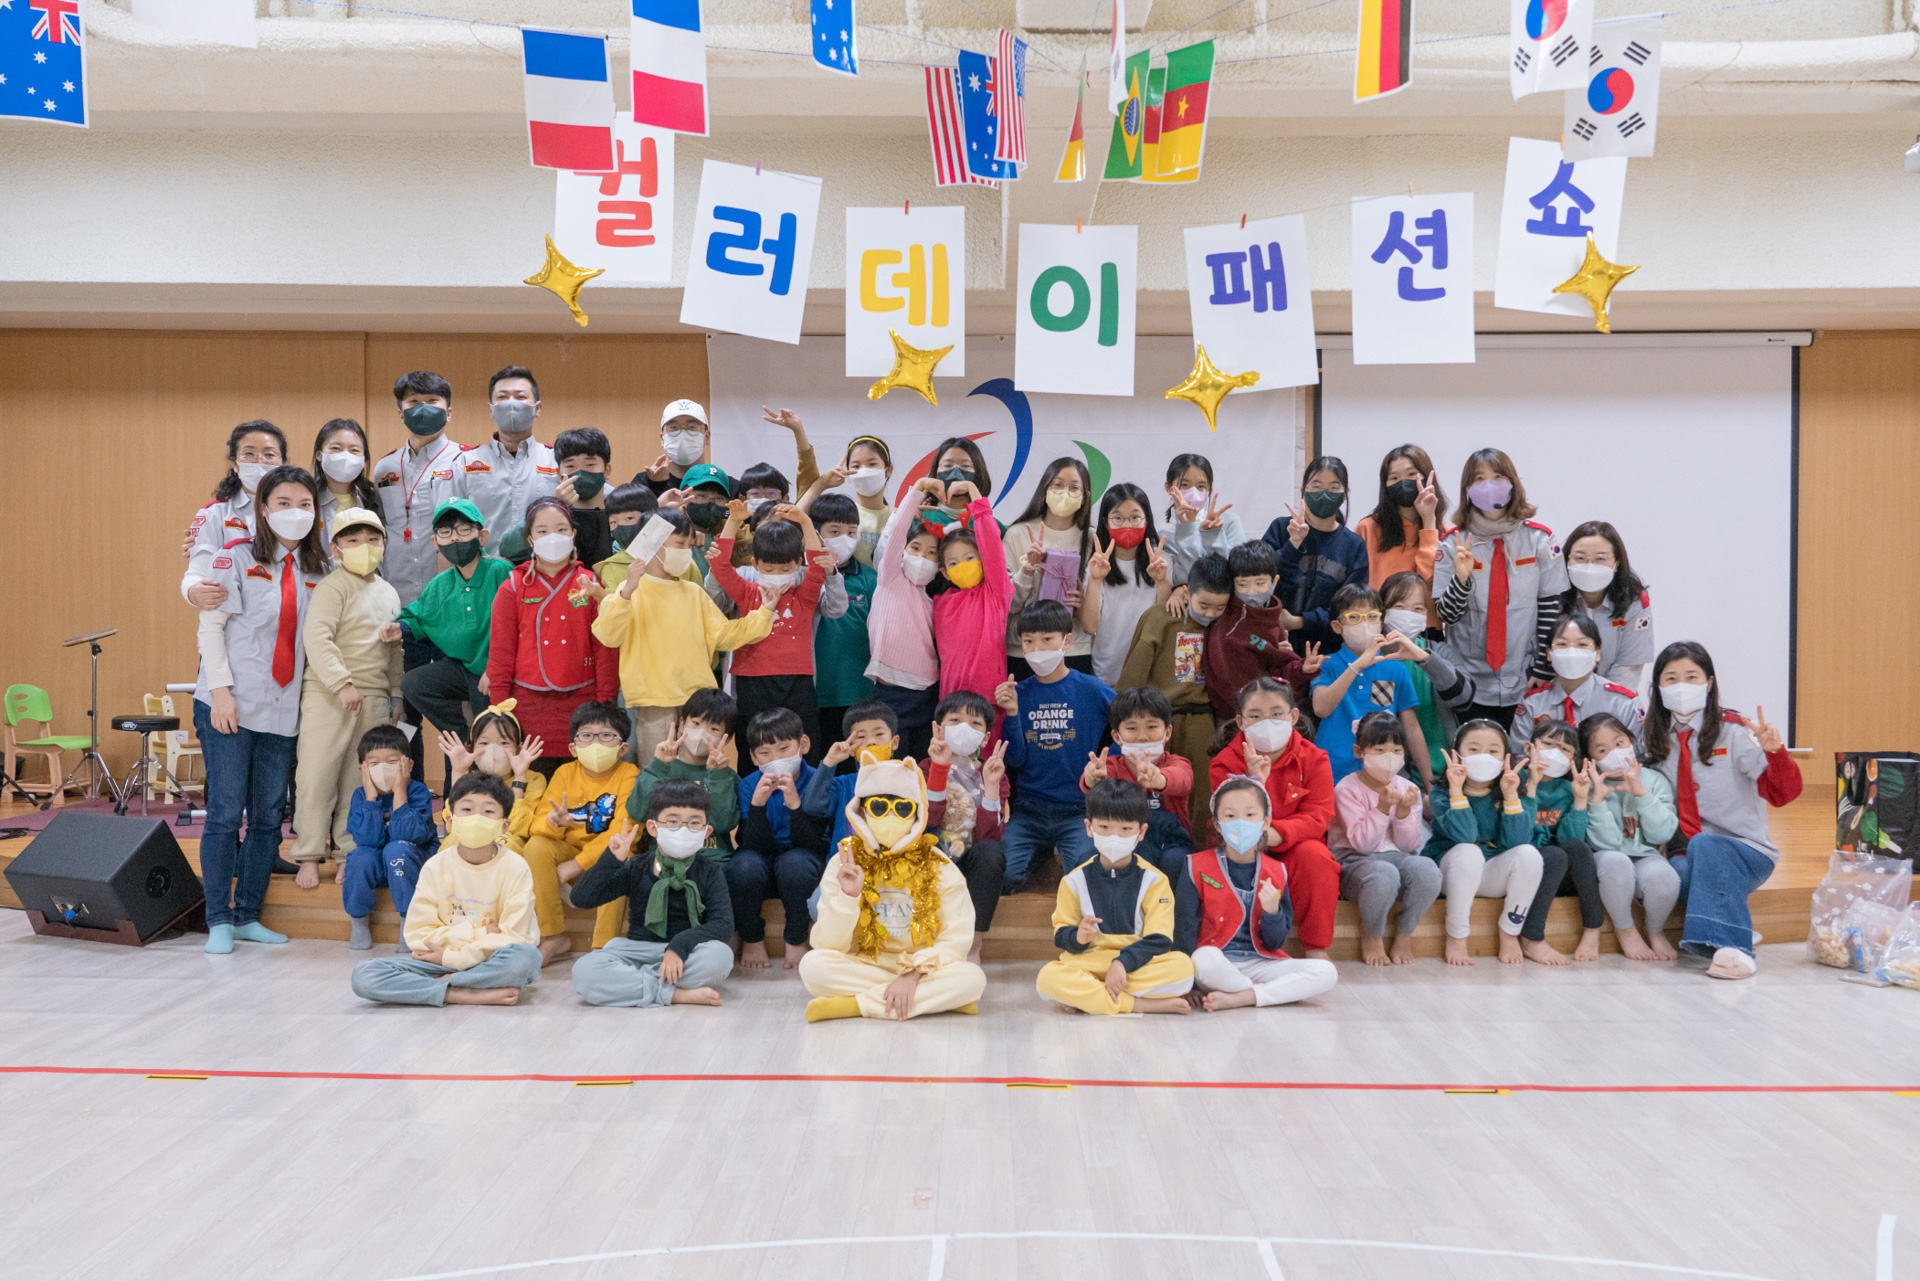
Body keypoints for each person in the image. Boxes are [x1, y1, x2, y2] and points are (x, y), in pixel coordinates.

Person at [191, 465, 328, 954]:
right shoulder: (235, 556)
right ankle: (218, 919)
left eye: (305, 504)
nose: (296, 512)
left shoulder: (321, 568)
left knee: (269, 816)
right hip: (229, 703)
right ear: (263, 509)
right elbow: (211, 628)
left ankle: (248, 915)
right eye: (284, 503)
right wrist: (221, 693)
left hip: (283, 709)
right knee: (226, 813)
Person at [1640, 641, 1801, 979]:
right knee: (1673, 875)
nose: (1681, 686)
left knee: (1706, 843)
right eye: (1671, 678)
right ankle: (1735, 924)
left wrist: (1776, 753)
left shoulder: (1736, 730)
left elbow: (1782, 794)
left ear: (1709, 683)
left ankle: (1736, 951)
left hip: (1746, 851)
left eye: (1692, 677)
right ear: (1658, 686)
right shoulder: (1652, 737)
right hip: (1687, 853)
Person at [799, 753, 986, 1022]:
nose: (889, 816)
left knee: (972, 978)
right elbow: (826, 944)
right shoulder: (844, 862)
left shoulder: (939, 864)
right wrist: (848, 897)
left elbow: (955, 940)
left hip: (922, 968)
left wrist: (913, 974)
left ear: (917, 814)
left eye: (902, 808)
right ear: (860, 812)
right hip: (864, 964)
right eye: (878, 807)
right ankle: (930, 1000)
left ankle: (855, 1005)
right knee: (812, 966)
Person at [592, 506, 778, 765]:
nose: (686, 552)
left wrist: (764, 612)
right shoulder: (630, 590)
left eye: (689, 546)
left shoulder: (694, 592)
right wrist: (626, 593)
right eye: (679, 544)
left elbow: (724, 635)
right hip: (654, 699)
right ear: (652, 544)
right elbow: (609, 635)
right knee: (657, 769)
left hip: (697, 701)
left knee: (698, 768)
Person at [349, 773, 541, 1007]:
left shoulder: (515, 866)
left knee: (526, 958)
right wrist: (481, 933)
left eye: (488, 811)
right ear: (450, 820)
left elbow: (517, 937)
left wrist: (453, 957)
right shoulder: (435, 866)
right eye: (467, 809)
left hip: (487, 960)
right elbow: (417, 936)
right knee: (365, 974)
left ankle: (445, 985)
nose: (476, 818)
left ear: (504, 825)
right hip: (437, 963)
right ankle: (459, 992)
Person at [290, 507, 403, 881]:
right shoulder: (332, 586)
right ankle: (309, 853)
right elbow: (317, 638)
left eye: (372, 539)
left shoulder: (388, 591)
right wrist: (342, 683)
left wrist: (396, 693)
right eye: (352, 540)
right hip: (329, 694)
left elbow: (394, 649)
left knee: (359, 781)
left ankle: (348, 853)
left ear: (384, 544)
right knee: (316, 776)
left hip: (373, 697)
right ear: (336, 548)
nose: (364, 546)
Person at [1176, 775, 1340, 1009]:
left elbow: (1273, 944)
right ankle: (1265, 992)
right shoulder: (1195, 866)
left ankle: (1242, 996)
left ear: (1266, 821)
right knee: (1203, 958)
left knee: (1325, 971)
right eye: (1230, 816)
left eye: (1250, 814)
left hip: (1261, 962)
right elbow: (1184, 929)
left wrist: (1272, 912)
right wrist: (1188, 985)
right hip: (1217, 961)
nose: (1240, 822)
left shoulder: (1277, 871)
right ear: (1217, 824)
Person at [569, 779, 734, 1008]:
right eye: (673, 821)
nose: (683, 830)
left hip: (686, 951)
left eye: (694, 823)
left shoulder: (710, 871)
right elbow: (581, 898)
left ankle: (634, 984)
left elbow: (723, 924)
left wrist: (679, 945)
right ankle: (674, 994)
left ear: (706, 832)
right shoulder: (637, 866)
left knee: (720, 957)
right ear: (653, 828)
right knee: (584, 971)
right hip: (635, 950)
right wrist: (611, 860)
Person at [1034, 778, 1194, 1015]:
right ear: (1089, 827)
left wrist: (1121, 963)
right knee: (1048, 977)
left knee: (1183, 968)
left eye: (1126, 829)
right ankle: (1137, 1004)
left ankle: (1090, 997)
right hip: (1090, 962)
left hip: (1136, 964)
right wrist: (1078, 936)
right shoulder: (1074, 880)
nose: (1115, 836)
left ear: (1141, 832)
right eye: (1105, 827)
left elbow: (1159, 939)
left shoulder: (1155, 880)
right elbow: (1061, 934)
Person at [1433, 448, 1568, 730]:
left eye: (1497, 476)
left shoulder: (1539, 539)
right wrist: (1461, 579)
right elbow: (1447, 615)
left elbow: (1551, 608)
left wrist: (1543, 667)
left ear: (1512, 482)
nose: (1488, 485)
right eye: (1478, 478)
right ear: (1467, 489)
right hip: (1467, 679)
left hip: (1525, 676)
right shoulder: (1452, 542)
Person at [1206, 678, 1340, 960]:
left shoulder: (1315, 758)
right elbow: (1227, 815)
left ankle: (1316, 947)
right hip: (1241, 846)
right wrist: (1255, 782)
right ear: (1241, 722)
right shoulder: (1225, 762)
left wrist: (1276, 834)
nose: (1267, 722)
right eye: (1255, 716)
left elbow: (1319, 815)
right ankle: (1234, 941)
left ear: (1293, 716)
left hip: (1293, 845)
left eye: (1277, 713)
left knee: (1316, 857)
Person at [485, 497, 620, 761]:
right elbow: (501, 653)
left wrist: (606, 703)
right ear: (530, 539)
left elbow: (605, 648)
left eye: (561, 529)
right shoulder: (512, 586)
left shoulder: (590, 583)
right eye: (542, 531)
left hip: (584, 701)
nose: (553, 537)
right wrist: (499, 709)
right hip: (527, 703)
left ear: (573, 534)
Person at [994, 600, 1117, 892]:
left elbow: (1129, 724)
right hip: (1029, 809)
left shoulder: (1091, 688)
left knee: (1082, 880)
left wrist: (1110, 760)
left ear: (1067, 641)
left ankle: (1050, 851)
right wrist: (1011, 713)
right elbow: (1016, 760)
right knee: (1004, 876)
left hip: (1078, 808)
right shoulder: (1020, 693)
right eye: (1028, 641)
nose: (1037, 648)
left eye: (1047, 639)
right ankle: (1038, 852)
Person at [388, 499, 513, 758]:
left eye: (464, 530)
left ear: (482, 536)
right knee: (414, 683)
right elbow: (419, 616)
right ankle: (464, 738)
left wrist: (496, 668)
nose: (455, 538)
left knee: (489, 725)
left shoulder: (500, 570)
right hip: (462, 669)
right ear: (435, 542)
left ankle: (483, 748)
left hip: (497, 671)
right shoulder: (439, 585)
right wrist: (400, 628)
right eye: (445, 532)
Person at [517, 700, 640, 962]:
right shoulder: (564, 773)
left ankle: (603, 947)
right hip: (569, 849)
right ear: (573, 748)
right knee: (536, 846)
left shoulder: (629, 774)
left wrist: (577, 865)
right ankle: (553, 935)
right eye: (586, 736)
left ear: (622, 748)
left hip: (604, 856)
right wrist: (554, 822)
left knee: (621, 856)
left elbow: (624, 832)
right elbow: (537, 826)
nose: (595, 743)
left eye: (606, 736)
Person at [1120, 552, 1231, 835]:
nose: (1210, 613)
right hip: (1157, 719)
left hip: (1201, 720)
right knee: (1151, 791)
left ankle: (1199, 851)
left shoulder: (1228, 621)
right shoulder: (1161, 617)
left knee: (1203, 794)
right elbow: (1133, 675)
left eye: (1219, 607)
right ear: (1188, 591)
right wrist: (1126, 716)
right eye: (1203, 605)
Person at [1425, 719, 1553, 966]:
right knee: (1469, 851)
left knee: (1529, 854)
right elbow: (1465, 836)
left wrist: (1510, 795)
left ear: (1505, 758)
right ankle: (1457, 936)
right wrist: (1456, 789)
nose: (1483, 757)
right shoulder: (1441, 792)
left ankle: (1509, 933)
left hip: (1490, 872)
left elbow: (1518, 841)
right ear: (1457, 754)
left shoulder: (1513, 788)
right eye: (1473, 749)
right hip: (1451, 873)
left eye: (1493, 751)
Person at [617, 688, 740, 944]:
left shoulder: (727, 777)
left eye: (714, 729)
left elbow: (723, 823)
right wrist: (658, 766)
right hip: (663, 859)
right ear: (682, 724)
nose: (702, 733)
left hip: (712, 860)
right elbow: (637, 811)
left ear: (726, 739)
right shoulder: (662, 767)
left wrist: (717, 777)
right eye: (696, 723)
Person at [709, 499, 829, 747]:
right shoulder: (747, 592)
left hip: (797, 681)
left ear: (798, 564)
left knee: (805, 744)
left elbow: (817, 566)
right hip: (752, 681)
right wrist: (734, 521)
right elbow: (720, 567)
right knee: (752, 745)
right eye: (769, 569)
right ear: (755, 564)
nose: (777, 575)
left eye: (785, 569)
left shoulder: (804, 596)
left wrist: (806, 522)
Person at [1329, 711, 1439, 966]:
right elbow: (1362, 844)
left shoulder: (1407, 788)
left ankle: (1405, 933)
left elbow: (1409, 845)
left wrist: (1402, 814)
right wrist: (1381, 809)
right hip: (1355, 862)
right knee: (1383, 874)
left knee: (1428, 870)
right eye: (1379, 750)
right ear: (1359, 751)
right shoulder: (1346, 788)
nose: (1389, 757)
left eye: (1396, 750)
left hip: (1396, 858)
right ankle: (1372, 933)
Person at [729, 707, 828, 972]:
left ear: (803, 744)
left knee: (795, 864)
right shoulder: (749, 785)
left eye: (784, 749)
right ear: (753, 757)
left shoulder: (817, 780)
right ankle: (751, 938)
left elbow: (814, 845)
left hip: (802, 861)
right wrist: (757, 807)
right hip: (762, 857)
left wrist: (796, 806)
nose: (776, 759)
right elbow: (751, 845)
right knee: (742, 866)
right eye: (765, 753)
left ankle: (796, 938)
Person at [1579, 711, 1680, 962]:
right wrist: (1598, 799)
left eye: (1619, 743)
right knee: (1617, 862)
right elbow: (1606, 844)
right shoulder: (1587, 786)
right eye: (1602, 750)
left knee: (1665, 878)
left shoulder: (1654, 780)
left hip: (1645, 854)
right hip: (1607, 857)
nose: (1614, 753)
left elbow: (1662, 833)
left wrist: (1641, 794)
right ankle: (1625, 928)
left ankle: (1655, 929)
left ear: (1632, 741)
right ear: (1590, 759)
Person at [1309, 583, 1431, 788]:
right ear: (1337, 626)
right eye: (1354, 617)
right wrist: (1356, 666)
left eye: (1372, 617)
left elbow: (1412, 730)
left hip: (1382, 778)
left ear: (1381, 624)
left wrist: (1430, 785)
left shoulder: (1395, 669)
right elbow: (1321, 708)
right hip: (1331, 774)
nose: (1364, 623)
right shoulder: (1325, 664)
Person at [924, 690, 1011, 965]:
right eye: (955, 720)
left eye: (975, 724)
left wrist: (992, 786)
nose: (964, 728)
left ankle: (974, 943)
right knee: (930, 840)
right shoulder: (923, 767)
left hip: (973, 852)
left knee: (991, 852)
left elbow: (990, 835)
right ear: (939, 727)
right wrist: (939, 768)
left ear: (985, 738)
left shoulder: (993, 771)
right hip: (939, 848)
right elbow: (928, 821)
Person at [865, 483, 946, 760]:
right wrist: (916, 492)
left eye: (932, 552)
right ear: (902, 550)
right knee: (891, 766)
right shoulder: (889, 578)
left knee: (921, 767)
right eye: (915, 547)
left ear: (940, 565)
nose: (922, 557)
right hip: (890, 693)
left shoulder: (934, 601)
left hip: (927, 694)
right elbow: (897, 532)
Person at [372, 371, 466, 605]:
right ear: (401, 414)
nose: (423, 408)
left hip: (451, 592)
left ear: (449, 413)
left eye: (432, 401)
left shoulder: (465, 461)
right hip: (395, 591)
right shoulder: (385, 468)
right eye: (413, 402)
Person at [1518, 720, 1608, 964]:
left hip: (1556, 872)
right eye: (1548, 743)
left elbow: (1572, 840)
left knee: (1576, 848)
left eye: (1565, 749)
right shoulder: (1513, 780)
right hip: (1522, 867)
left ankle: (1593, 928)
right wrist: (1532, 786)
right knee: (1554, 855)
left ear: (1574, 758)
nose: (1555, 753)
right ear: (1528, 748)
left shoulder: (1568, 788)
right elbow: (1519, 838)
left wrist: (1579, 800)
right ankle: (1531, 938)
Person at [1079, 686, 1191, 880]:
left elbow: (1182, 780)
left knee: (1176, 861)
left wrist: (1160, 779)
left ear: (1167, 732)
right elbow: (1090, 785)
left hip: (1171, 840)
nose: (1142, 736)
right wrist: (1092, 780)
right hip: (1124, 840)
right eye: (1131, 728)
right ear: (1117, 736)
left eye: (1152, 727)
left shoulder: (1178, 763)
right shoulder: (1111, 767)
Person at [339, 723, 434, 951]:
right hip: (380, 866)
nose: (383, 769)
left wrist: (400, 791)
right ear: (362, 768)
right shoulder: (360, 795)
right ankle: (359, 921)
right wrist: (371, 800)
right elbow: (367, 841)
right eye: (374, 763)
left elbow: (408, 836)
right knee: (359, 857)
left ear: (408, 764)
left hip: (411, 865)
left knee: (396, 849)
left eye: (392, 762)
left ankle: (408, 925)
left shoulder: (418, 791)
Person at [1002, 458, 1096, 677]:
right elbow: (1006, 606)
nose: (1065, 493)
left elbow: (1096, 613)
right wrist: (1028, 569)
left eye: (1074, 488)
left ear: (1085, 496)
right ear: (1045, 489)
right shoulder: (1018, 534)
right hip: (1024, 650)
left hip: (1074, 650)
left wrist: (1082, 603)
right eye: (1058, 485)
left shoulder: (1092, 539)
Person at [1201, 541, 1315, 721]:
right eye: (1242, 585)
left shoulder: (1273, 619)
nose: (1251, 592)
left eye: (1260, 584)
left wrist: (1300, 667)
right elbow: (1197, 592)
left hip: (1267, 712)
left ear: (1274, 582)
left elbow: (1277, 670)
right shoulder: (1224, 613)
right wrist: (1178, 591)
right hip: (1232, 717)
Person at [1265, 455, 1369, 652]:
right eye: (1316, 486)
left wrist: (1300, 622)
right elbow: (1262, 583)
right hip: (1275, 646)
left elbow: (1353, 608)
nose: (1324, 494)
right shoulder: (1280, 529)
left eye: (1334, 487)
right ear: (1303, 491)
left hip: (1329, 653)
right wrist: (1293, 545)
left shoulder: (1354, 545)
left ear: (1345, 494)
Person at [182, 419, 290, 607]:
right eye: (249, 453)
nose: (259, 461)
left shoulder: (302, 511)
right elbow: (197, 573)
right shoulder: (215, 513)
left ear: (283, 463)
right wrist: (192, 592)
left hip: (293, 615)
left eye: (269, 454)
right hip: (234, 618)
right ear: (235, 464)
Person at [930, 479, 1015, 706]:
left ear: (983, 560)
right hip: (950, 702)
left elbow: (992, 542)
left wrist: (972, 490)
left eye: (970, 558)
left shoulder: (995, 594)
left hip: (991, 700)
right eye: (953, 563)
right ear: (945, 572)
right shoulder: (939, 603)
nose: (963, 565)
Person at [459, 364, 558, 554]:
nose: (511, 404)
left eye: (520, 397)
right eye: (503, 397)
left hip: (542, 568)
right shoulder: (465, 462)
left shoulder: (557, 459)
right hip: (484, 567)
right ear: (491, 409)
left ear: (537, 408)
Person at [1080, 484, 1172, 686]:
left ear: (1147, 520)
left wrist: (1162, 582)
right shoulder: (1097, 564)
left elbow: (1165, 622)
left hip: (1149, 675)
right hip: (1107, 674)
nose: (1127, 525)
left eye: (1135, 517)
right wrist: (1095, 580)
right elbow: (1089, 626)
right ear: (1105, 522)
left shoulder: (1162, 561)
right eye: (1118, 518)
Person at [807, 491, 877, 759]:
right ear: (815, 533)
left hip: (858, 692)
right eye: (835, 531)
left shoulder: (869, 578)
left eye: (851, 532)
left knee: (854, 768)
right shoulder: (802, 575)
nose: (845, 539)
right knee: (821, 764)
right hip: (814, 693)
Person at [1511, 614, 1643, 748]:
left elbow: (1638, 753)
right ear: (1549, 653)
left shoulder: (1623, 703)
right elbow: (1520, 753)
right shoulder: (1532, 703)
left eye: (1582, 644)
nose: (1572, 652)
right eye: (1562, 644)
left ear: (1597, 653)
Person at [435, 701, 547, 853]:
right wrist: (458, 772)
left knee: (503, 845)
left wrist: (519, 777)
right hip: (468, 835)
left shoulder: (533, 779)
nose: (493, 749)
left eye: (504, 742)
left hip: (509, 840)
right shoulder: (469, 778)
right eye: (484, 743)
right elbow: (453, 824)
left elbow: (519, 827)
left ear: (518, 748)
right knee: (451, 843)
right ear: (471, 747)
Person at [1557, 520, 1655, 689]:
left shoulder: (1635, 600)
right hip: (1559, 694)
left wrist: (1604, 701)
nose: (1589, 566)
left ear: (1616, 563)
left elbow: (1628, 668)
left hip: (1615, 696)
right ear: (1566, 561)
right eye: (1580, 558)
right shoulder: (1552, 596)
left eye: (1600, 559)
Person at [798, 702, 906, 853]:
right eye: (861, 737)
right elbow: (812, 807)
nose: (871, 742)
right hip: (847, 862)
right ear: (852, 748)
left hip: (897, 861)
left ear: (894, 742)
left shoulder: (910, 781)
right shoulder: (843, 785)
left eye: (879, 734)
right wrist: (829, 762)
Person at [1378, 571, 1452, 786]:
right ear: (1383, 611)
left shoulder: (1438, 651)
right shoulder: (1374, 661)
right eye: (1399, 607)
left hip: (1445, 769)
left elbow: (1462, 696)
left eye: (1418, 609)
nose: (1408, 615)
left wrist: (1425, 659)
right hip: (1397, 775)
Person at [1353, 444, 1444, 591]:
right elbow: (1357, 590)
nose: (1403, 483)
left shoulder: (1446, 535)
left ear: (1427, 477)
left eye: (1411, 474)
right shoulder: (1367, 528)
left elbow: (1430, 586)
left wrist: (1428, 522)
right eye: (1394, 477)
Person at [797, 434, 893, 567]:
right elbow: (791, 527)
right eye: (856, 466)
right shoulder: (839, 514)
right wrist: (822, 484)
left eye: (872, 464)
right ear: (847, 472)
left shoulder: (901, 516)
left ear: (888, 470)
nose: (863, 471)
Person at [1162, 453, 1245, 582]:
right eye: (1184, 485)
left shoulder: (1228, 522)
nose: (1193, 493)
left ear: (1209, 489)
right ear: (1168, 488)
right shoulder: (1163, 538)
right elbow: (1188, 580)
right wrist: (1186, 528)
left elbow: (1237, 573)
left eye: (1201, 486)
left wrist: (1213, 535)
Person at [312, 418, 380, 535]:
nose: (345, 456)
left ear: (363, 459)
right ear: (319, 455)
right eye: (336, 448)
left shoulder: (374, 499)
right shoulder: (308, 498)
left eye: (354, 450)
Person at [635, 398, 714, 497]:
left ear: (707, 437)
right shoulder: (643, 484)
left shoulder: (724, 485)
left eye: (692, 427)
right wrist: (656, 486)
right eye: (674, 427)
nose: (683, 434)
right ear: (662, 439)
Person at [920, 436, 994, 534]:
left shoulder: (995, 526)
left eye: (966, 466)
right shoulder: (919, 518)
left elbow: (991, 539)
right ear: (936, 470)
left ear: (978, 472)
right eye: (947, 465)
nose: (955, 473)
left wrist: (971, 487)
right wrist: (919, 485)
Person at [595, 482, 661, 588]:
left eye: (629, 518)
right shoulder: (611, 567)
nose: (621, 525)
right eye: (613, 522)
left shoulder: (675, 557)